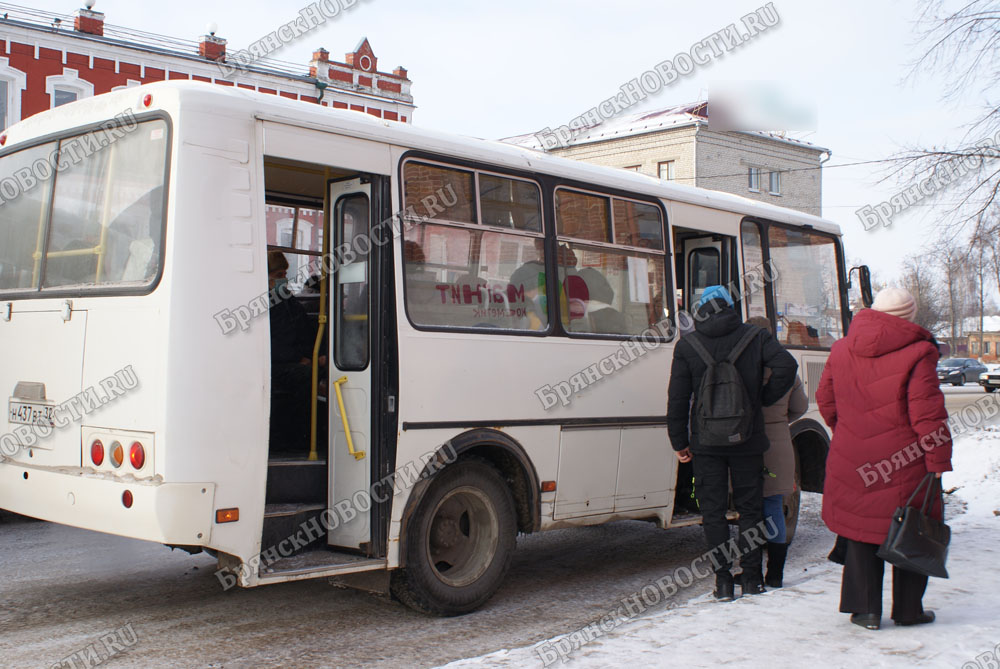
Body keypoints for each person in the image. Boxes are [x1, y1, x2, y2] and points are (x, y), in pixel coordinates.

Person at [816, 286, 952, 630]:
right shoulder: (920, 351)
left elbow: (825, 399)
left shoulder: (842, 347)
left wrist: (846, 432)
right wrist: (938, 460)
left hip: (851, 455)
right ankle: (908, 610)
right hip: (905, 459)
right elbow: (927, 414)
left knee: (861, 528)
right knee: (910, 525)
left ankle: (865, 611)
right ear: (909, 315)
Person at [667, 285, 798, 600]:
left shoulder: (688, 346)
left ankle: (723, 582)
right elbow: (787, 366)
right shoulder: (755, 337)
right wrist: (760, 399)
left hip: (705, 442)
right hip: (747, 438)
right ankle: (752, 578)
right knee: (750, 508)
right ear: (729, 307)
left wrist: (679, 441)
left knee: (712, 512)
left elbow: (678, 398)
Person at [747, 316, 809, 588]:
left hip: (745, 441)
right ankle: (775, 574)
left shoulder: (742, 366)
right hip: (778, 443)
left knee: (747, 507)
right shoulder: (785, 369)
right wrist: (780, 420)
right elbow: (801, 407)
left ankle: (750, 574)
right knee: (773, 506)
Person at [268, 250, 317, 454]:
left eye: (285, 274)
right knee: (305, 376)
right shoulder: (265, 304)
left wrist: (313, 354)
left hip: (293, 358)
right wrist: (300, 358)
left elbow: (303, 328)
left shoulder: (286, 299)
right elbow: (275, 343)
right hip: (275, 364)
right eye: (279, 275)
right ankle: (296, 440)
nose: (284, 279)